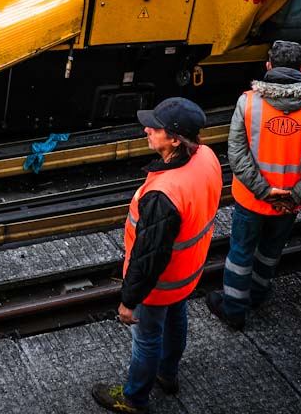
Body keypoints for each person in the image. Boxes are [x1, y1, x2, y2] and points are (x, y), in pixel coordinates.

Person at [92, 97, 221, 414]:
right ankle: (168, 373)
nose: (147, 129)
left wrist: (129, 299)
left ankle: (134, 398)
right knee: (176, 318)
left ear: (175, 139)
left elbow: (149, 256)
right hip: (186, 272)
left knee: (146, 338)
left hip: (159, 283)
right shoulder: (205, 157)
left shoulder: (164, 194)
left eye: (156, 128)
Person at [205, 40, 301, 330]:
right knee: (270, 251)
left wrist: (265, 192)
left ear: (268, 67)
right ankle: (258, 293)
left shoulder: (248, 103)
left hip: (251, 200)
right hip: (289, 204)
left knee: (241, 252)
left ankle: (234, 310)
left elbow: (237, 156)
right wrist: (293, 195)